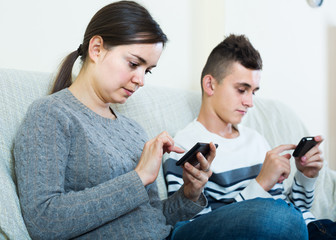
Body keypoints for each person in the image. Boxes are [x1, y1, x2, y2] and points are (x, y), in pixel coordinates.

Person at [14, 1, 308, 239]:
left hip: (169, 235)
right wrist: (139, 177)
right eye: (133, 64)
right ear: (96, 49)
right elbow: (44, 221)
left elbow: (156, 217)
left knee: (286, 217)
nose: (140, 80)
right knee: (278, 219)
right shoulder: (50, 115)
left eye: (148, 70)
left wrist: (190, 193)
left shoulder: (131, 129)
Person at [164, 34, 336, 239]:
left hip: (310, 229)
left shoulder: (256, 140)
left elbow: (294, 212)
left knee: (288, 218)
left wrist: (305, 178)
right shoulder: (184, 146)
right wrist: (261, 183)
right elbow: (206, 228)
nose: (250, 102)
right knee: (279, 218)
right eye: (242, 90)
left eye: (253, 92)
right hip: (274, 227)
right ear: (210, 85)